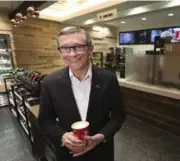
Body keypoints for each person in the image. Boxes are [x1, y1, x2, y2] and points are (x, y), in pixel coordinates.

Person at [38, 26, 126, 161]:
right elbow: (45, 121)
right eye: (65, 48)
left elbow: (118, 116)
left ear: (90, 49)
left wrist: (100, 137)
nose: (72, 54)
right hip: (68, 154)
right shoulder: (50, 82)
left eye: (78, 47)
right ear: (60, 51)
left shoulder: (108, 79)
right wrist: (63, 136)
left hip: (101, 152)